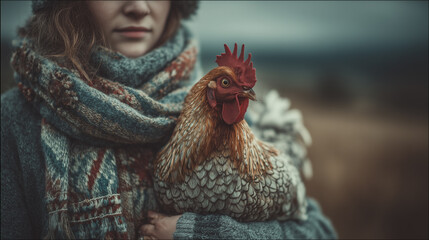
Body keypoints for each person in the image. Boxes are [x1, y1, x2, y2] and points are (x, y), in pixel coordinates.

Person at [1, 1, 337, 239]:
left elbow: (317, 232)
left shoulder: (233, 118)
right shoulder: (15, 121)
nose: (138, 6)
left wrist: (207, 233)